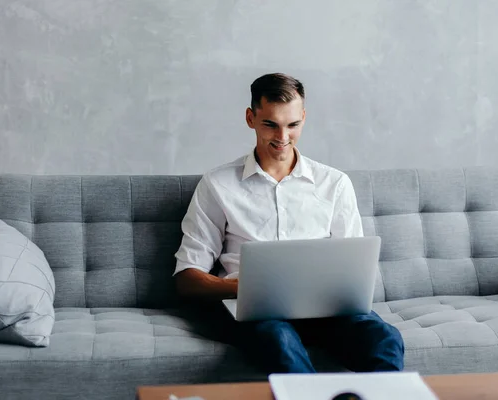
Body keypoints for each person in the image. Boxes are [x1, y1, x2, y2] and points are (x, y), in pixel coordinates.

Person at [173, 73, 404, 373]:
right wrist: (241, 288)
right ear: (250, 118)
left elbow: (355, 270)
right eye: (270, 124)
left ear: (304, 118)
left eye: (293, 125)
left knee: (384, 338)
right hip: (259, 315)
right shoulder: (217, 185)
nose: (282, 137)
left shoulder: (334, 184)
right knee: (279, 340)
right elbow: (186, 279)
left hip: (328, 313)